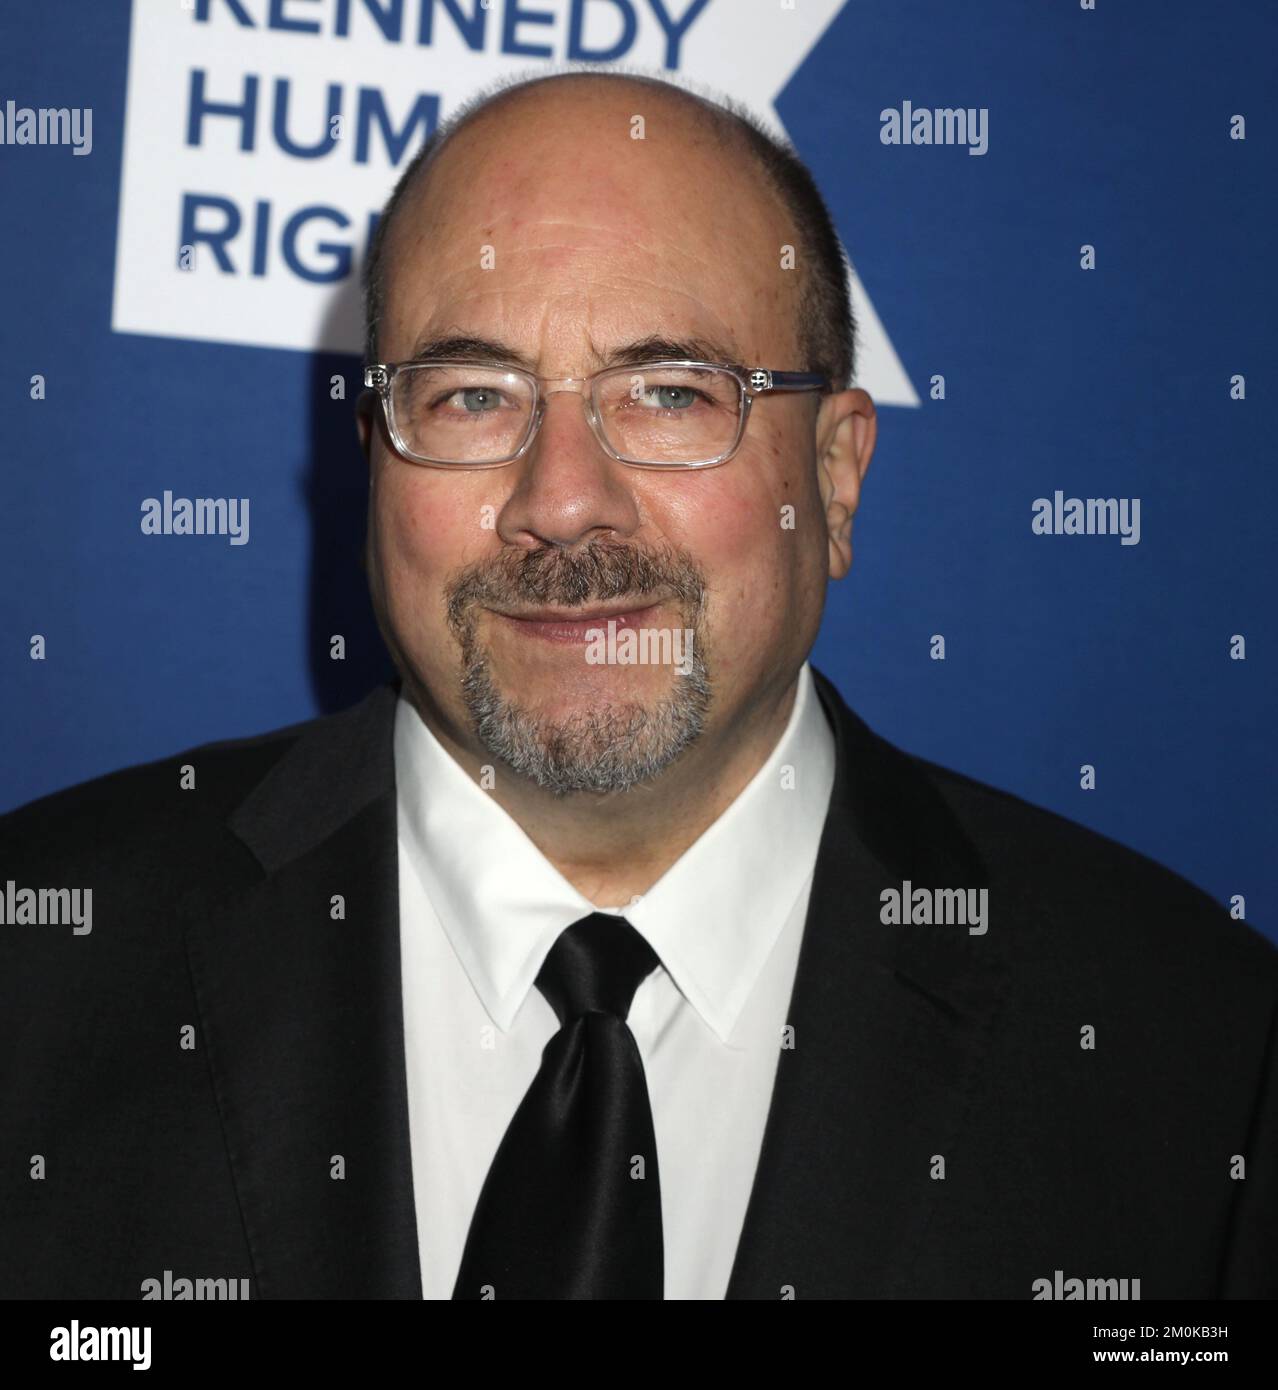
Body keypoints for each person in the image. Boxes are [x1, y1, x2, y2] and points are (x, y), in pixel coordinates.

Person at [1, 69, 1274, 1302]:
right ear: (374, 461)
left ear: (834, 478)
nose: (563, 502)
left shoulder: (1193, 1051)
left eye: (670, 393)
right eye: (471, 396)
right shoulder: (39, 968)